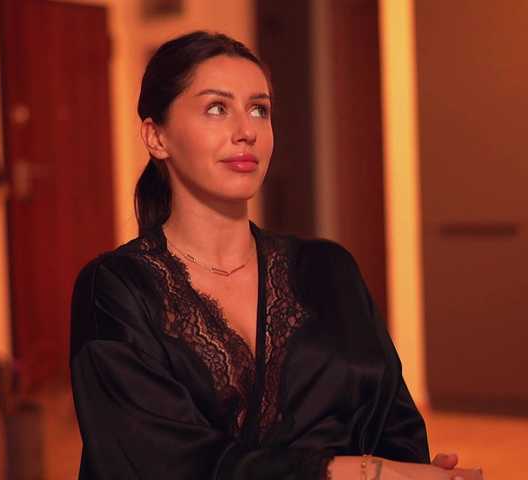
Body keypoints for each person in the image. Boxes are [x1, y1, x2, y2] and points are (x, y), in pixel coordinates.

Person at [70, 31, 483, 480]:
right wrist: (361, 472)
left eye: (259, 109)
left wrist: (415, 473)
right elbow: (162, 462)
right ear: (156, 137)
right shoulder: (116, 287)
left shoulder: (329, 268)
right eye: (217, 108)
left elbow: (395, 423)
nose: (246, 131)